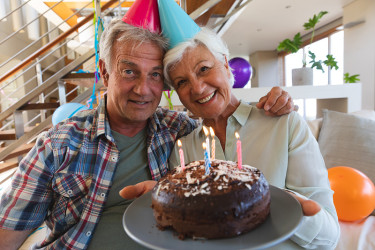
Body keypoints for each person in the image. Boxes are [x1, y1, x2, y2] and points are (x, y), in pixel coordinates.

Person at [0, 2, 295, 249]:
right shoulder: (58, 144)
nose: (143, 89)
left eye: (155, 75)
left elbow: (219, 113)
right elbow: (7, 235)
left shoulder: (181, 130)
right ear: (104, 72)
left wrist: (273, 102)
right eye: (129, 71)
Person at [120, 1, 340, 249]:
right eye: (182, 82)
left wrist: (281, 202)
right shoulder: (185, 149)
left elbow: (330, 237)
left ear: (225, 64)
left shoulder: (284, 124)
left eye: (204, 69)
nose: (198, 88)